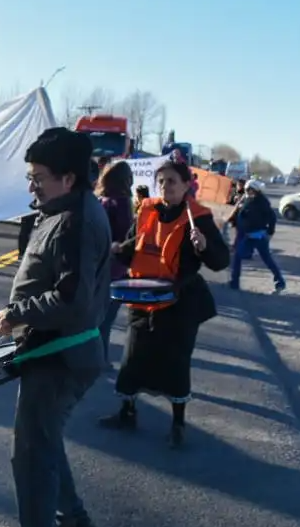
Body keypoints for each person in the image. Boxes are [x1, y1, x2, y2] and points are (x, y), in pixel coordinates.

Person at [0, 127, 111, 527]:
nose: (31, 185)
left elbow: (72, 300)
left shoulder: (78, 220)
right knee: (44, 442)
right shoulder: (62, 210)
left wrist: (18, 312)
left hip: (63, 356)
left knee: (32, 454)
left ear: (69, 179)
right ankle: (73, 521)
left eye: (39, 176)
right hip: (56, 351)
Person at [98, 157, 230, 448]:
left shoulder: (200, 218)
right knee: (132, 360)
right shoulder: (146, 210)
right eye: (161, 181)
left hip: (179, 304)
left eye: (172, 181)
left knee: (176, 365)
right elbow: (136, 247)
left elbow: (221, 261)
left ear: (186, 185)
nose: (165, 186)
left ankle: (178, 423)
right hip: (143, 297)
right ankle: (127, 412)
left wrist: (205, 246)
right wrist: (118, 249)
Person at [95, 159, 135, 363]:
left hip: (97, 266)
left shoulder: (99, 200)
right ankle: (100, 359)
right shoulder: (121, 203)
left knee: (98, 315)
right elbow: (126, 236)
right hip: (116, 268)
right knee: (106, 318)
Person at [228, 180, 285, 293]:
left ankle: (280, 283)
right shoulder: (247, 199)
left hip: (258, 236)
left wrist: (270, 232)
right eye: (246, 189)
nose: (247, 191)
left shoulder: (262, 202)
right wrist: (235, 218)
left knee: (266, 259)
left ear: (256, 190)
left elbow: (272, 217)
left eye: (249, 189)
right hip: (247, 235)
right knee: (238, 256)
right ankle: (234, 283)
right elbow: (243, 213)